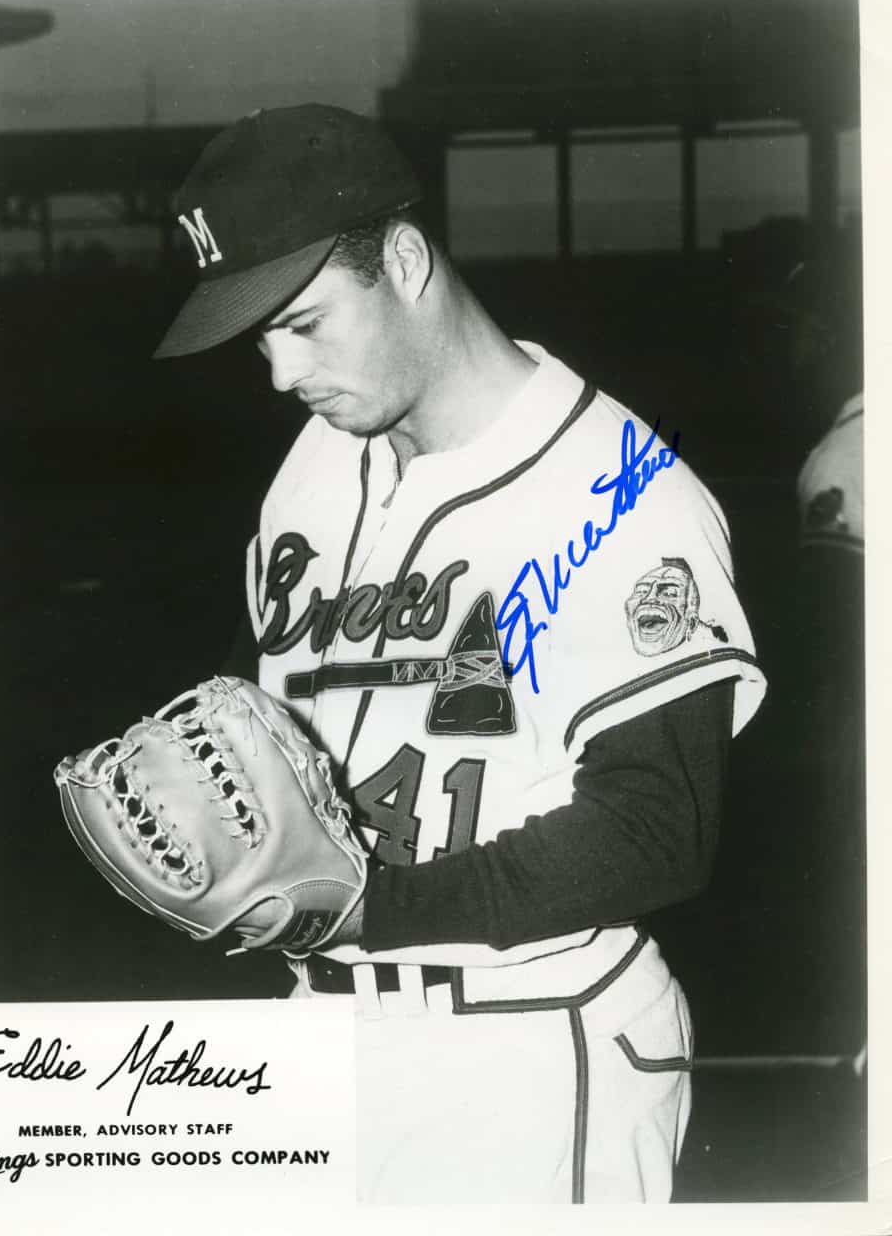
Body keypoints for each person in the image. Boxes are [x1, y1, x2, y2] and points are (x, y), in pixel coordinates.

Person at [153, 104, 767, 1204]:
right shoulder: (310, 468)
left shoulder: (620, 491)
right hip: (322, 1035)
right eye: (260, 339)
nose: (281, 371)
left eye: (304, 322)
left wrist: (369, 909)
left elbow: (656, 826)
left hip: (527, 1046)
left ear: (402, 260)